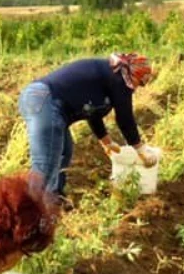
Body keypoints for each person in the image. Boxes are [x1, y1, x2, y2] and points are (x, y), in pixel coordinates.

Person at [16, 53, 156, 200]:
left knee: (64, 151)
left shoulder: (110, 75)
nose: (136, 88)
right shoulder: (119, 79)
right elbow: (125, 118)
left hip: (42, 99)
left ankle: (53, 199)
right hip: (45, 100)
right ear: (134, 74)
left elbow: (92, 111)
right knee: (46, 164)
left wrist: (106, 141)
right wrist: (140, 149)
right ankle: (33, 210)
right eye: (140, 83)